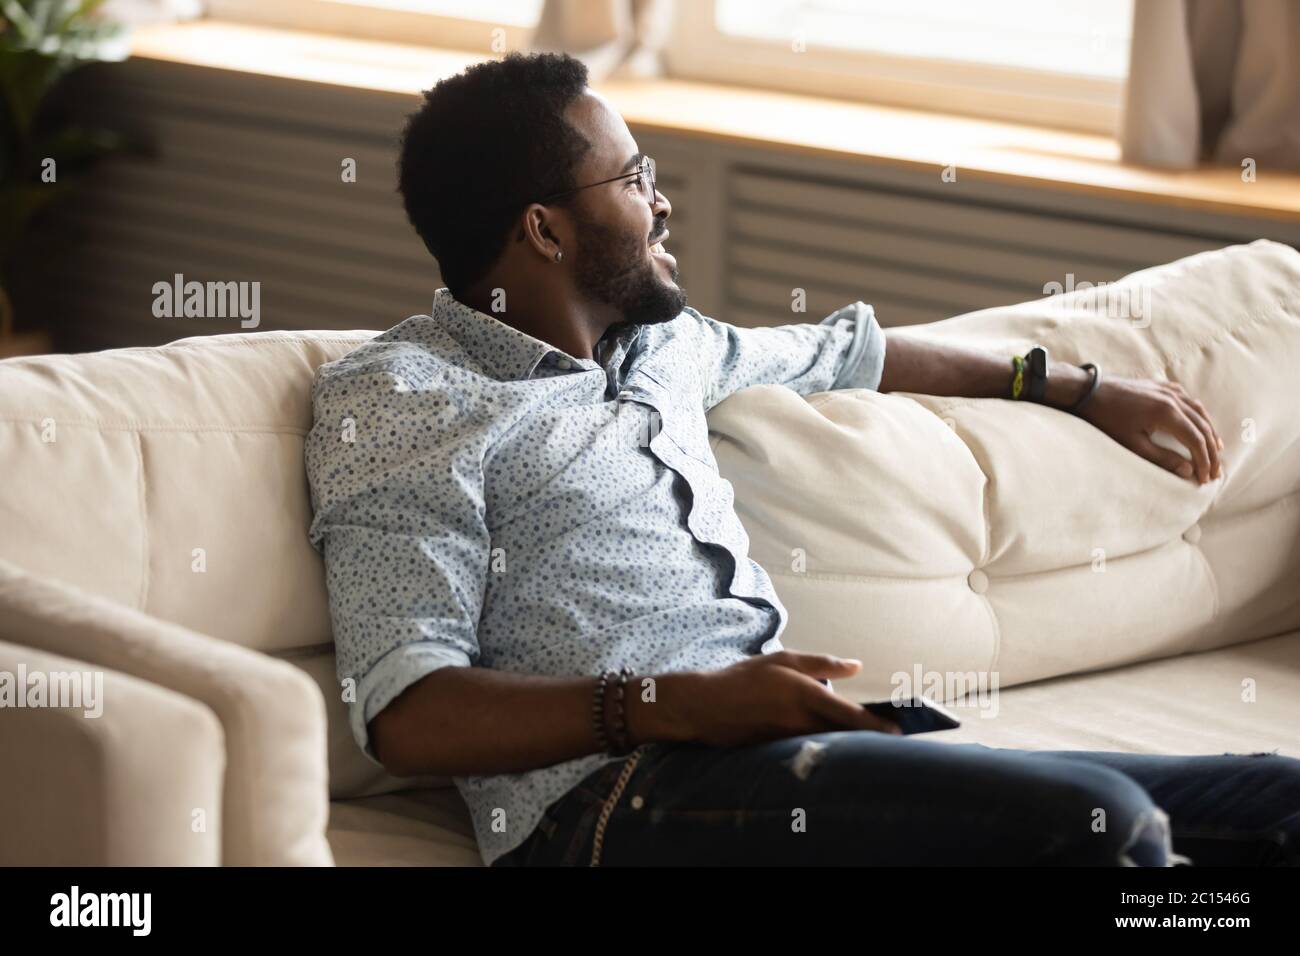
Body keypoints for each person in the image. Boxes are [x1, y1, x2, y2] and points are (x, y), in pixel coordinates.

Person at [303, 51, 1299, 867]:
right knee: (1102, 826)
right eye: (635, 176)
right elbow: (406, 711)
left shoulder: (668, 347)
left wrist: (1076, 384)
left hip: (780, 753)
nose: (661, 205)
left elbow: (852, 348)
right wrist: (674, 703)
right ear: (544, 228)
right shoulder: (404, 399)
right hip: (607, 806)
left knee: (1274, 801)